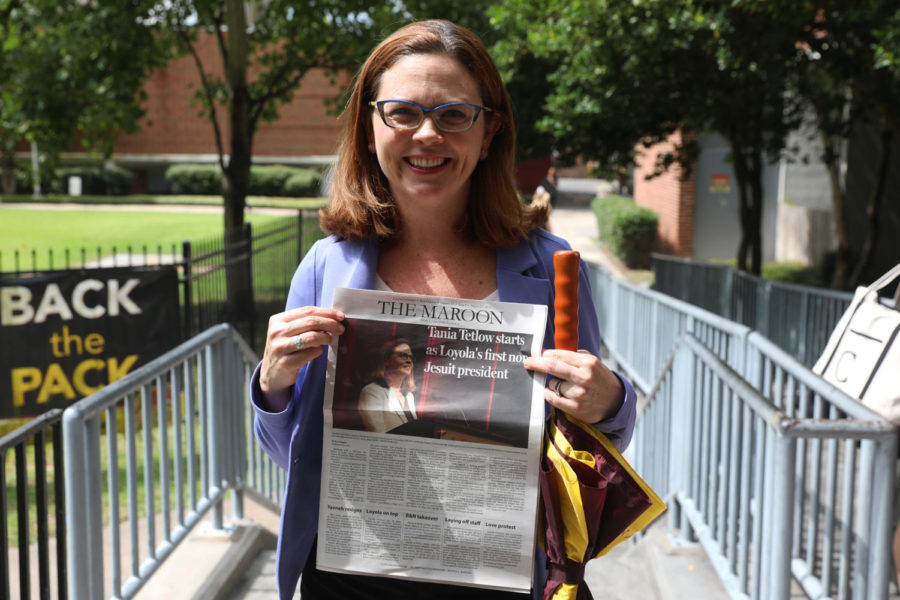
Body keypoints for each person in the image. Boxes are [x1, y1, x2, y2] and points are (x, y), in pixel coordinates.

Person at [251, 19, 637, 599]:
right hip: (350, 575)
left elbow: (587, 442)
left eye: (454, 115)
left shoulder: (553, 268)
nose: (426, 134)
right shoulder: (324, 267)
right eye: (402, 112)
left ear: (489, 134)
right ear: (370, 126)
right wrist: (274, 383)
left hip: (498, 576)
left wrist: (609, 402)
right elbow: (294, 457)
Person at [357, 338, 418, 433]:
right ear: (386, 360)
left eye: (411, 357)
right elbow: (377, 433)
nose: (409, 360)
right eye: (403, 355)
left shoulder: (409, 396)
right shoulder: (372, 391)